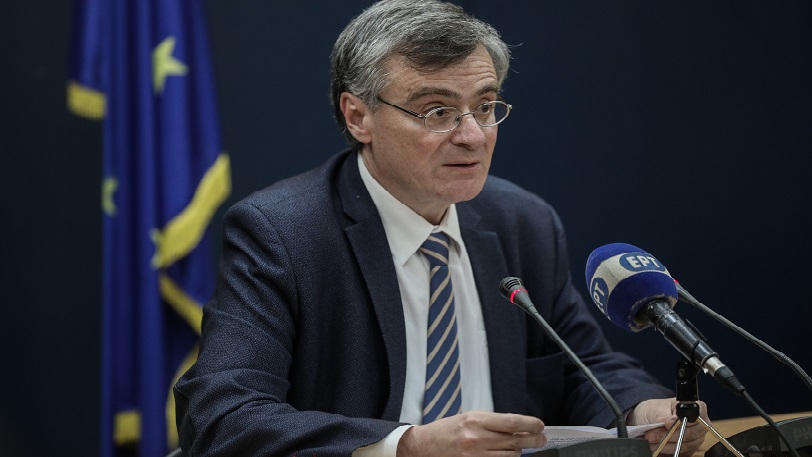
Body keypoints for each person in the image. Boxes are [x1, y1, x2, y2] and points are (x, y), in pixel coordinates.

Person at [174, 1, 710, 455]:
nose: (473, 136)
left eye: (485, 106)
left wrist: (643, 409)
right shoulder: (282, 233)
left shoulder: (522, 222)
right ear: (358, 116)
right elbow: (222, 415)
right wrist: (407, 446)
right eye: (437, 111)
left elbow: (583, 368)